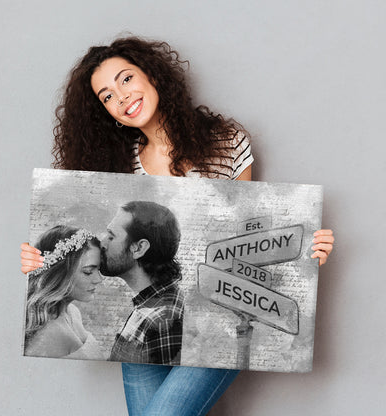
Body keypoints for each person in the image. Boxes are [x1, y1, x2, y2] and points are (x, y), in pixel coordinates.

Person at [20, 36, 334, 416]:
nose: (120, 98)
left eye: (125, 79)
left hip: (215, 318)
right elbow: (98, 253)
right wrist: (44, 259)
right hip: (142, 319)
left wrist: (304, 251)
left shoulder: (225, 142)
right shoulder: (119, 168)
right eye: (106, 96)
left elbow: (248, 240)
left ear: (151, 75)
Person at [101, 201, 184, 365]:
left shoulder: (160, 321)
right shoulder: (151, 304)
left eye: (111, 236)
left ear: (139, 248)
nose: (102, 243)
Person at [24, 225, 105, 360]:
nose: (99, 279)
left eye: (99, 270)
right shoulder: (48, 337)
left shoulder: (73, 312)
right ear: (59, 274)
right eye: (88, 272)